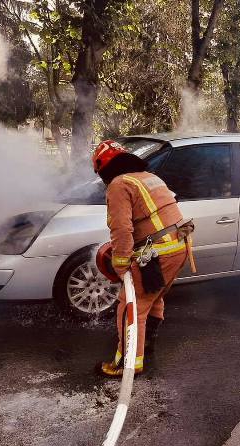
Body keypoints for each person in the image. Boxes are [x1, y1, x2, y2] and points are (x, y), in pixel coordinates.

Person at [92, 140, 190, 377]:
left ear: (104, 168)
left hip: (159, 253)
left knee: (131, 305)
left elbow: (121, 229)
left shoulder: (119, 184)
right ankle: (146, 344)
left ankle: (127, 363)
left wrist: (121, 263)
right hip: (178, 247)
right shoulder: (146, 176)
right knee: (153, 297)